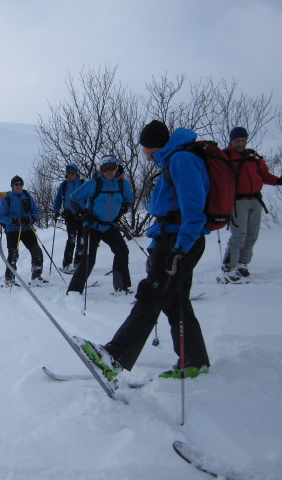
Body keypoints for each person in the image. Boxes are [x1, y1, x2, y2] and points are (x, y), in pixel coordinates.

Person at [75, 120, 211, 384]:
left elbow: (193, 209)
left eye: (144, 148)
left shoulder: (181, 160)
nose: (144, 154)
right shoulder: (173, 160)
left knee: (150, 295)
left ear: (151, 145)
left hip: (178, 240)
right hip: (171, 238)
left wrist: (180, 248)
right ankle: (195, 360)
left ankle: (113, 357)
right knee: (176, 301)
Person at [220, 127, 282, 283]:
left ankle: (242, 264)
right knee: (239, 235)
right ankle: (229, 267)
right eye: (237, 141)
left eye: (243, 140)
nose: (240, 143)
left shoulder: (253, 156)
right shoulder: (225, 157)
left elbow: (264, 175)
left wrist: (279, 181)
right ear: (231, 141)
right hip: (237, 201)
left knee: (251, 235)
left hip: (255, 200)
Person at [66, 156, 134, 295]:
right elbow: (73, 198)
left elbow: (128, 200)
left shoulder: (122, 184)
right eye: (105, 168)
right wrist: (81, 213)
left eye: (111, 168)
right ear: (100, 170)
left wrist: (122, 210)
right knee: (89, 258)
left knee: (122, 251)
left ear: (117, 167)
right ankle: (74, 290)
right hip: (93, 225)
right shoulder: (94, 184)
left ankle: (121, 287)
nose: (109, 172)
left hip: (110, 225)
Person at [0, 175, 46, 286]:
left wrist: (32, 218)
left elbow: (34, 210)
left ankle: (36, 276)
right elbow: (1, 216)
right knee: (13, 254)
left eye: (20, 184)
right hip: (12, 230)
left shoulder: (27, 196)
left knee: (37, 251)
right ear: (12, 186)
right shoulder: (6, 198)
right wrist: (14, 221)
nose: (19, 186)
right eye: (16, 184)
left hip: (27, 228)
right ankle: (9, 279)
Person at [52, 163, 85, 273]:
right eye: (68, 172)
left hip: (83, 215)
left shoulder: (83, 183)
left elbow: (89, 198)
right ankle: (67, 264)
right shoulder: (64, 185)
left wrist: (88, 210)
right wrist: (55, 211)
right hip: (70, 214)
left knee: (82, 240)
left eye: (72, 172)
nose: (70, 174)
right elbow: (58, 199)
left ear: (77, 173)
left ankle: (78, 264)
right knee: (71, 239)